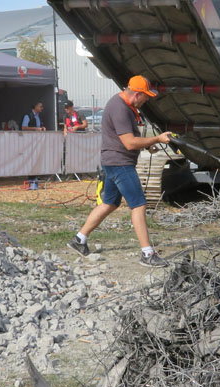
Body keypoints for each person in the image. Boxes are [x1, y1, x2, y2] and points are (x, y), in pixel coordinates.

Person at [67, 75, 173, 267]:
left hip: (113, 161)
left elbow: (130, 140)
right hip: (120, 163)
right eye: (146, 96)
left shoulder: (125, 106)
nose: (147, 100)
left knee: (109, 203)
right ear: (137, 94)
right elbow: (129, 142)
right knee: (139, 204)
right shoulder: (120, 108)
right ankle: (147, 254)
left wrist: (147, 145)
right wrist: (156, 139)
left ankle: (79, 240)